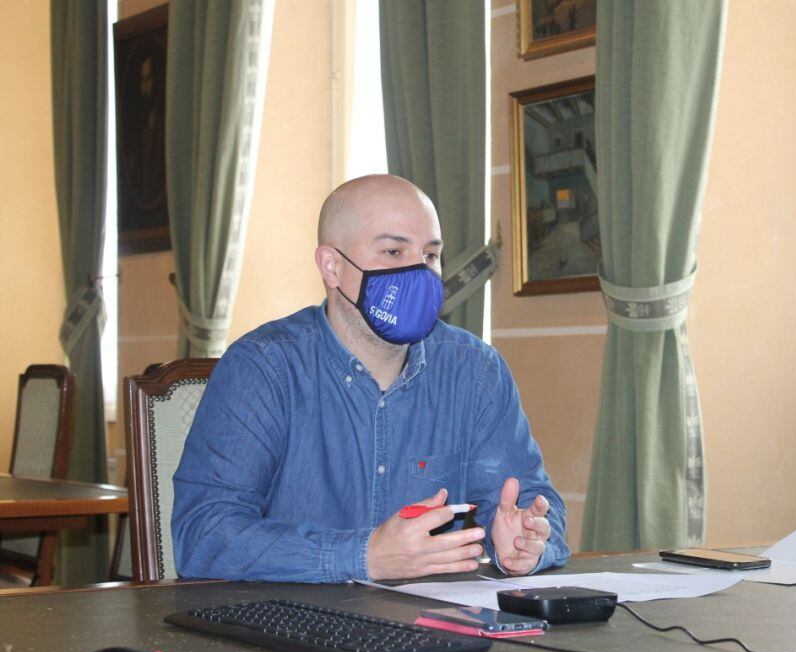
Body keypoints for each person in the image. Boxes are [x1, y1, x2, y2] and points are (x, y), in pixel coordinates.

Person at [171, 175, 569, 582]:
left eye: (431, 255)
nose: (419, 271)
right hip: (288, 630)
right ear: (332, 266)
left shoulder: (475, 370)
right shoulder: (263, 367)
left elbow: (532, 505)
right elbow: (203, 535)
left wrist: (527, 540)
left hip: (433, 629)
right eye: (394, 251)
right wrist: (363, 556)